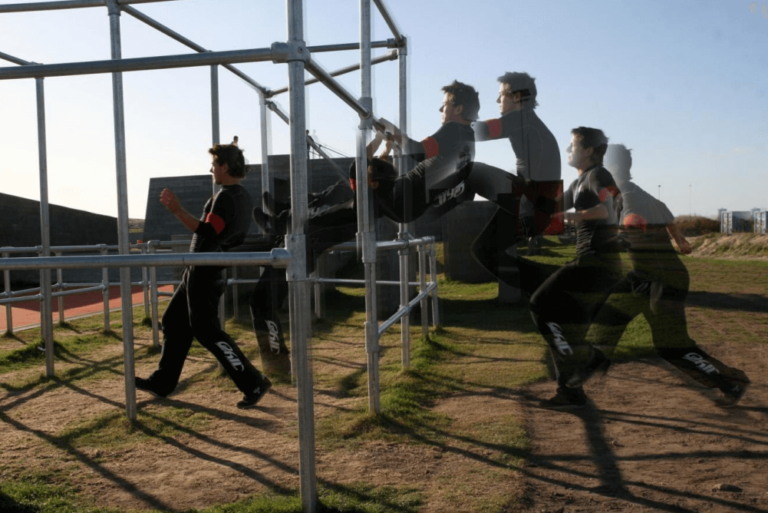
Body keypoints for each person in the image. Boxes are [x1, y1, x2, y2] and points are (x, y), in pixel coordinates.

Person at [591, 144, 750, 406]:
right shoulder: (628, 192)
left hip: (663, 278)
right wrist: (678, 238)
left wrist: (619, 237)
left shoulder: (630, 198)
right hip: (644, 275)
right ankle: (581, 374)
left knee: (671, 345)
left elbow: (634, 223)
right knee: (607, 316)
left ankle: (730, 380)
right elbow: (663, 208)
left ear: (614, 168)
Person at [135, 143, 272, 409]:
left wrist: (176, 209)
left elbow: (209, 232)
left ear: (224, 167)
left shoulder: (228, 197)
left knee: (206, 331)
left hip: (205, 272)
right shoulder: (236, 195)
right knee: (174, 320)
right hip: (198, 271)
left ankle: (254, 382)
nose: (211, 170)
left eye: (214, 165)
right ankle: (163, 382)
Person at [529, 127, 622, 410]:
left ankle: (589, 359)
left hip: (596, 263)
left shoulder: (598, 176)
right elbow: (552, 208)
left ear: (589, 150)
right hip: (595, 265)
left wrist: (574, 216)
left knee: (540, 305)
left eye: (572, 145)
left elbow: (611, 204)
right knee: (567, 329)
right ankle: (570, 392)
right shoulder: (578, 182)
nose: (569, 151)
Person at [472, 72, 561, 256]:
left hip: (527, 204)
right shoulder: (531, 122)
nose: (497, 100)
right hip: (537, 206)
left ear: (517, 96)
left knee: (469, 170)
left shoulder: (520, 120)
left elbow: (479, 131)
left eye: (502, 94)